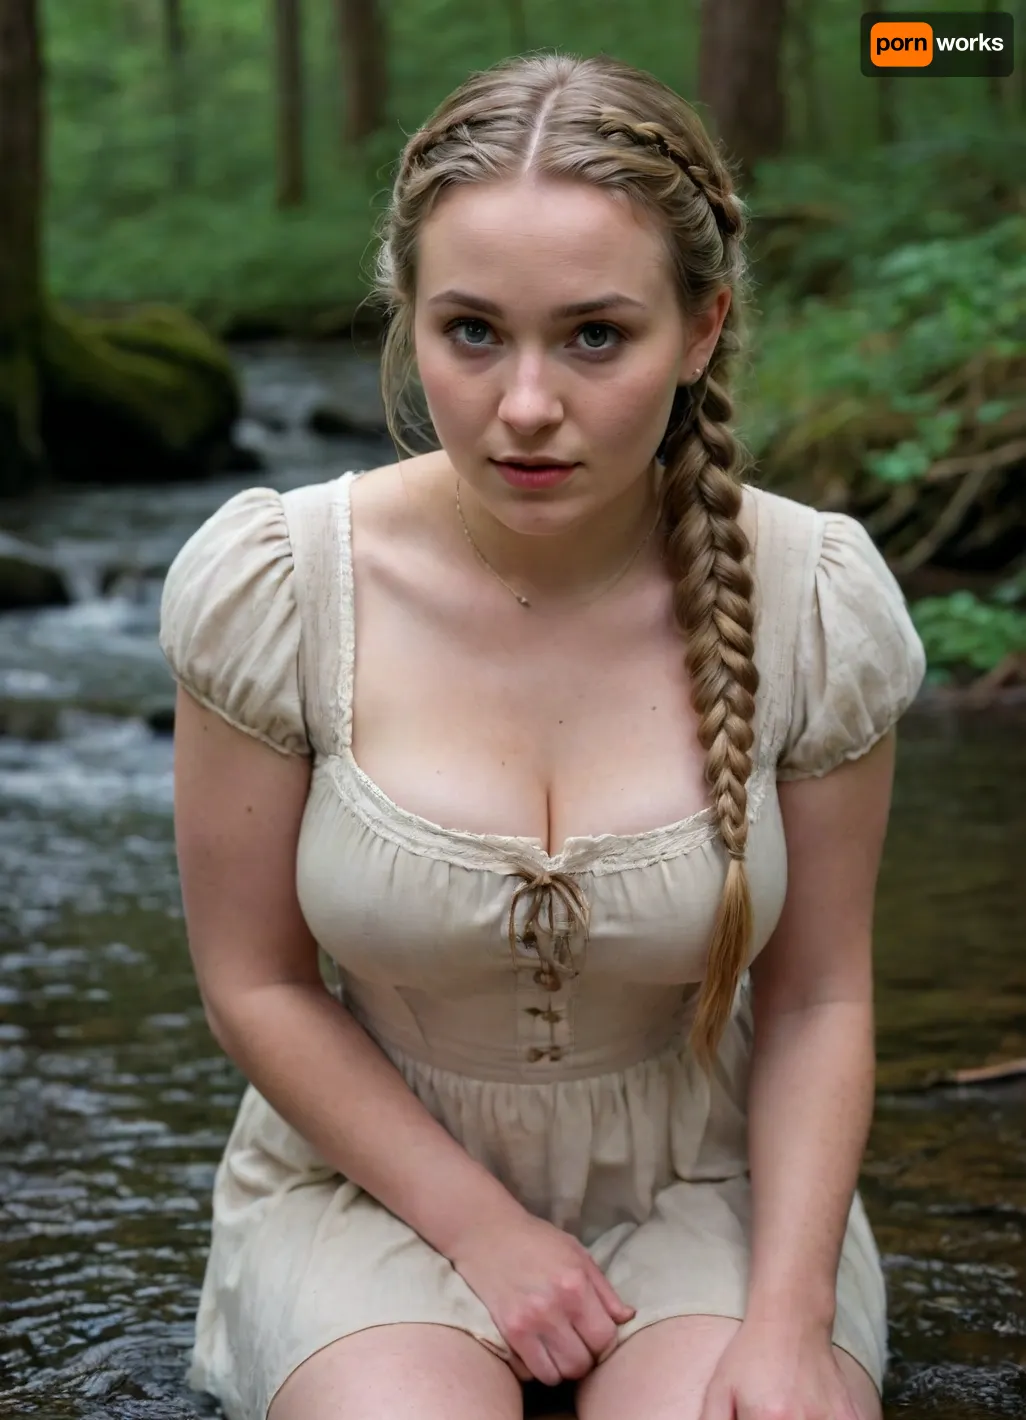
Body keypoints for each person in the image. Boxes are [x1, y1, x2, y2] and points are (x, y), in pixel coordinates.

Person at [160, 51, 926, 1420]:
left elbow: (818, 1000)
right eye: (471, 332)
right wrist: (486, 1232)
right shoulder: (284, 587)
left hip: (713, 1185)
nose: (524, 406)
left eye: (592, 336)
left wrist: (789, 1318)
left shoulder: (812, 599)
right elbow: (255, 983)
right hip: (370, 1180)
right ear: (407, 317)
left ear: (699, 331)